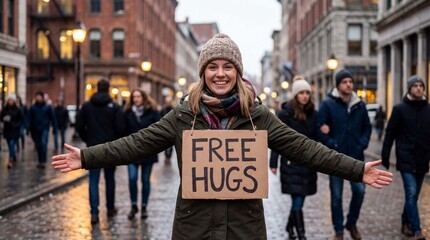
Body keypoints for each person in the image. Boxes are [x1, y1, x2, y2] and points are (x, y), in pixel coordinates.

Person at [53, 33, 393, 239]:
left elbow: (305, 149)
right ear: (203, 73)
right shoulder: (183, 115)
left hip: (244, 228)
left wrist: (357, 169)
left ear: (237, 73)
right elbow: (134, 144)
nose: (220, 73)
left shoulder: (257, 116)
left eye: (227, 67)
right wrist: (86, 157)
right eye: (212, 67)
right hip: (194, 227)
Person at [317, 69, 372, 240]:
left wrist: (361, 144)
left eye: (350, 82)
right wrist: (332, 144)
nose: (348, 84)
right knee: (336, 196)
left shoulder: (359, 104)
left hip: (356, 157)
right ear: (338, 84)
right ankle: (339, 230)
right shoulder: (328, 104)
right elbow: (320, 129)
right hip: (336, 158)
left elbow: (367, 127)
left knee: (360, 190)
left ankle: (352, 223)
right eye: (344, 82)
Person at [269, 76, 319, 240]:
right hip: (291, 163)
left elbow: (317, 137)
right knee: (297, 201)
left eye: (307, 93)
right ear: (295, 95)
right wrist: (273, 162)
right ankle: (301, 235)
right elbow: (277, 139)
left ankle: (290, 227)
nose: (305, 96)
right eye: (301, 93)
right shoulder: (285, 114)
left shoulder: (313, 113)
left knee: (299, 201)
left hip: (308, 164)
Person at [381, 75, 430, 240]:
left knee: (414, 195)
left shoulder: (428, 109)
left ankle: (405, 223)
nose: (418, 88)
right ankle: (416, 230)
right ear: (409, 88)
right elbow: (390, 133)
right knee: (411, 193)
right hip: (406, 158)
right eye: (415, 85)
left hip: (422, 158)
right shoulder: (399, 109)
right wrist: (385, 156)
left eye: (420, 85)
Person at [75, 79, 125, 224]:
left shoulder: (87, 106)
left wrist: (88, 139)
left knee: (93, 180)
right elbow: (120, 128)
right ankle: (110, 208)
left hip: (92, 148)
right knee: (110, 179)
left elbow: (79, 126)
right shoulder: (114, 107)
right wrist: (115, 141)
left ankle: (94, 213)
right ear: (108, 89)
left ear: (97, 88)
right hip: (110, 147)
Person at [124, 89, 161, 220]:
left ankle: (144, 206)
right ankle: (134, 205)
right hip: (132, 153)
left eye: (138, 96)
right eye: (134, 97)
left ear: (144, 98)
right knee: (132, 178)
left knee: (145, 180)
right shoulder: (127, 112)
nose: (136, 99)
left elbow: (158, 130)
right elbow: (123, 132)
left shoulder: (152, 112)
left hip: (148, 152)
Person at [29, 91, 58, 169]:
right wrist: (29, 128)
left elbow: (53, 118)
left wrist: (55, 128)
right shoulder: (33, 107)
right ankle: (40, 161)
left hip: (44, 128)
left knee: (43, 143)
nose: (38, 98)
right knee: (38, 145)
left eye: (39, 96)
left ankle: (43, 161)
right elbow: (30, 118)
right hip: (35, 129)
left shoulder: (47, 107)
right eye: (37, 97)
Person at [1, 94, 24, 168]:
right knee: (9, 145)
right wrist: (4, 119)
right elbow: (1, 117)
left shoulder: (18, 109)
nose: (10, 101)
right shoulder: (5, 109)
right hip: (7, 130)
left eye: (12, 100)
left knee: (11, 144)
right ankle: (13, 155)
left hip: (15, 130)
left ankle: (10, 159)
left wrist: (16, 125)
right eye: (9, 100)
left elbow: (21, 119)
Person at [161, 96, 174, 165]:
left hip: (172, 129)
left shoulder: (173, 109)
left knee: (171, 146)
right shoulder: (163, 109)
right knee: (165, 145)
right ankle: (166, 156)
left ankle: (169, 157)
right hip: (164, 129)